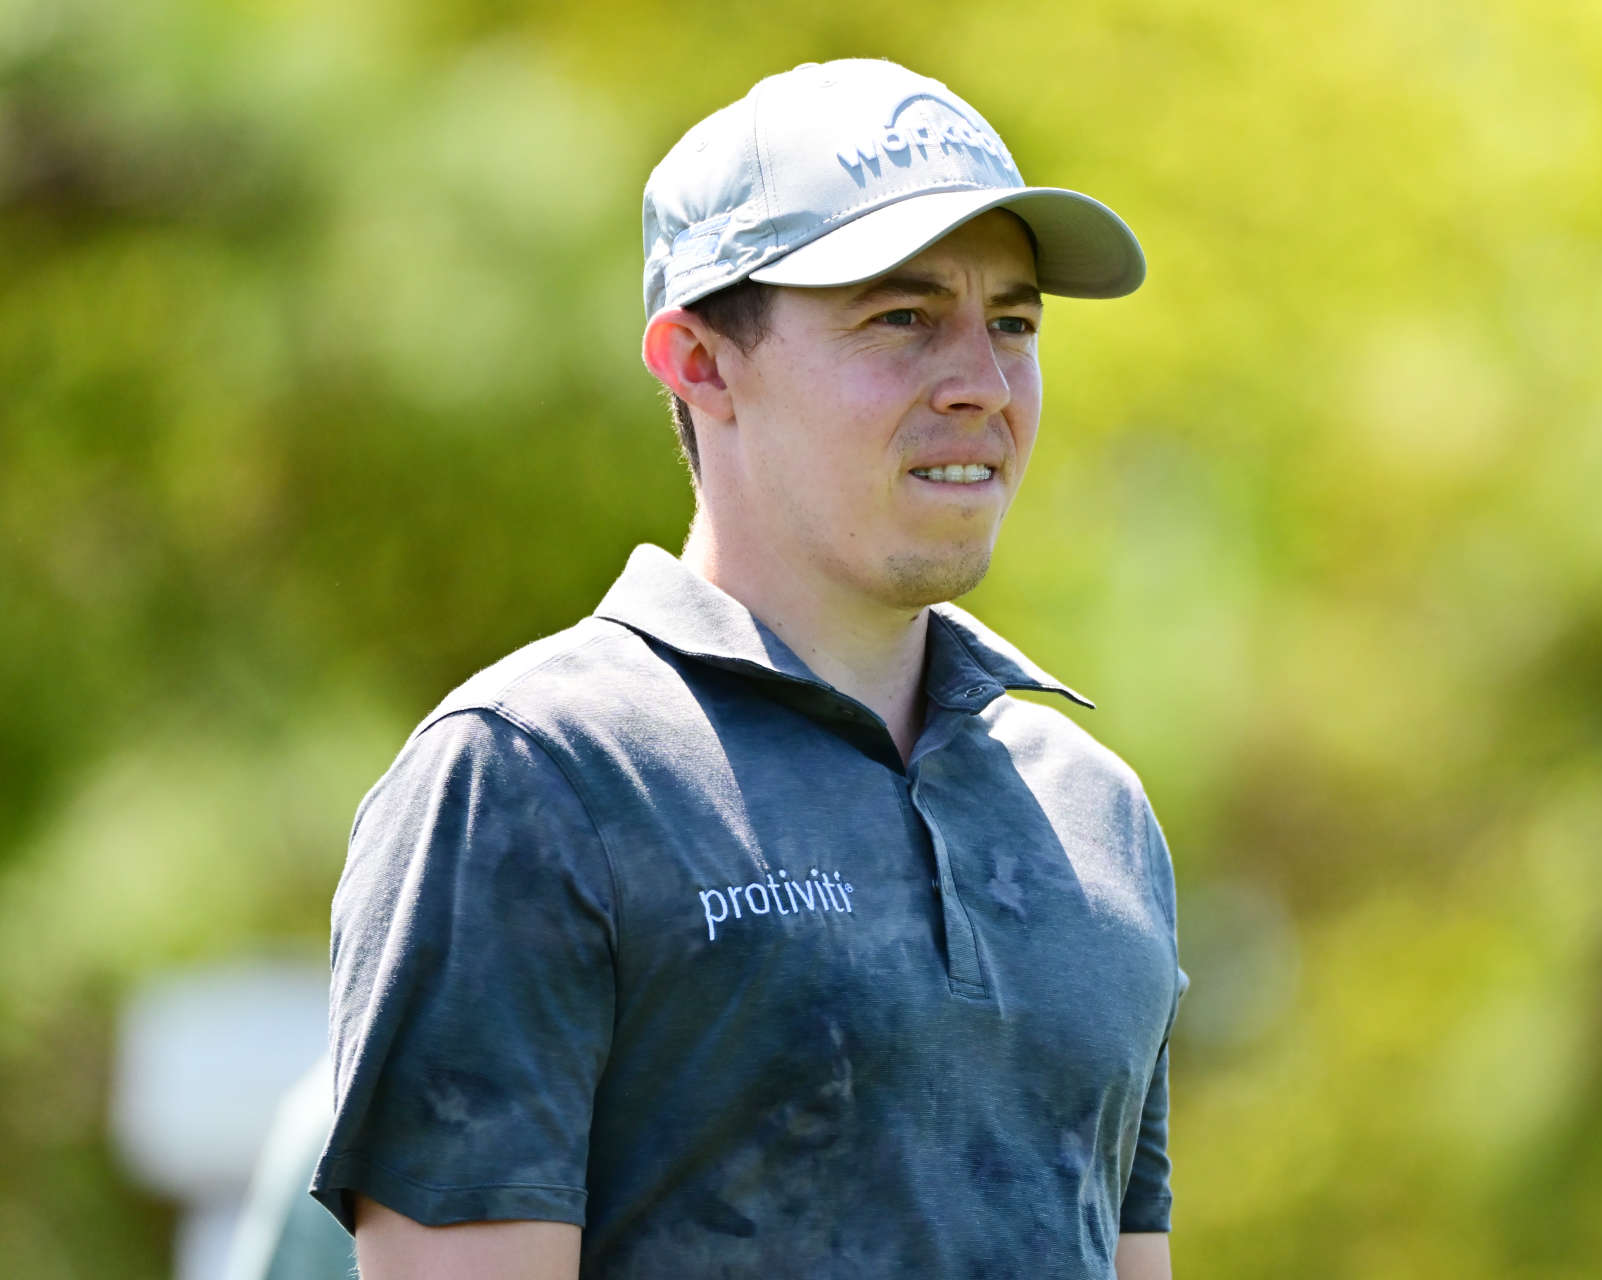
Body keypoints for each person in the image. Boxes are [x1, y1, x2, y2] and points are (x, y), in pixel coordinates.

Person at [312, 57, 1187, 1279]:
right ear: (702, 362)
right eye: (901, 317)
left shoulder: (1097, 813)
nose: (983, 384)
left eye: (1015, 323)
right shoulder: (536, 774)